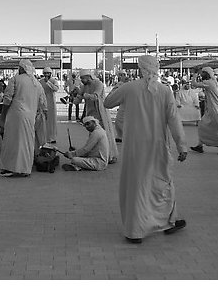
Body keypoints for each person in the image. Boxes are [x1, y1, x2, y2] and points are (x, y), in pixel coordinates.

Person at [104, 55, 188, 243]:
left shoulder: (129, 87)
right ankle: (167, 221)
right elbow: (174, 120)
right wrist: (182, 146)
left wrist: (121, 86)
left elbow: (107, 103)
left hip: (134, 147)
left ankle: (135, 231)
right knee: (161, 183)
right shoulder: (165, 91)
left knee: (136, 185)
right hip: (157, 145)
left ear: (140, 68)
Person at [0, 59, 47, 178]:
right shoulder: (37, 83)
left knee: (13, 141)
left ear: (21, 68)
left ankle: (12, 168)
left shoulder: (15, 79)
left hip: (16, 115)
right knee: (27, 142)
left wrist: (2, 116)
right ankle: (25, 168)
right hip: (30, 117)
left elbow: (7, 99)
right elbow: (43, 103)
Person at [74, 69, 118, 163]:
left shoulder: (99, 84)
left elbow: (95, 96)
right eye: (81, 78)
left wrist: (83, 95)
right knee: (93, 136)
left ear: (88, 77)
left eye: (83, 78)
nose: (82, 80)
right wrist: (75, 97)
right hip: (90, 114)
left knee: (104, 134)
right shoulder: (84, 86)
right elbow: (77, 100)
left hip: (101, 113)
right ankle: (95, 154)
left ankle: (109, 155)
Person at [190, 67, 218, 155]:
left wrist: (195, 74)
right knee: (202, 125)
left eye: (203, 73)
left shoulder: (209, 82)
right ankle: (200, 145)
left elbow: (194, 84)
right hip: (212, 109)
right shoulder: (212, 82)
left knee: (216, 130)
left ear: (207, 74)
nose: (202, 75)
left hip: (215, 110)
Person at [40, 67, 59, 143]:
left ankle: (52, 137)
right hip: (43, 103)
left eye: (48, 73)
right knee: (43, 121)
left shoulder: (54, 81)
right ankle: (44, 137)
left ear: (50, 74)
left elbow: (56, 89)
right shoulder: (40, 81)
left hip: (51, 103)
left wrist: (48, 82)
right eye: (45, 73)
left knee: (51, 121)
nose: (46, 75)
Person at [112, 71, 130, 142]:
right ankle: (120, 136)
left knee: (121, 121)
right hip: (123, 104)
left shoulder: (129, 84)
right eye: (120, 75)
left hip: (128, 104)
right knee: (118, 121)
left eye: (123, 75)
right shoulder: (119, 84)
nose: (122, 76)